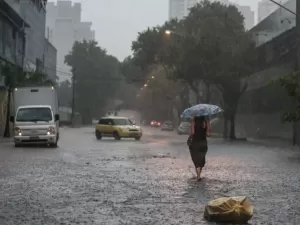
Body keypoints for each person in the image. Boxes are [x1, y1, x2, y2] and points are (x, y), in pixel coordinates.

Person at [188, 116, 210, 181]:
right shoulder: (205, 122)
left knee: (196, 159)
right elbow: (208, 134)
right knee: (201, 159)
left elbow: (192, 133)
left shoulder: (193, 121)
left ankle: (198, 176)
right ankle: (199, 175)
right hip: (203, 143)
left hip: (195, 143)